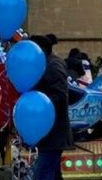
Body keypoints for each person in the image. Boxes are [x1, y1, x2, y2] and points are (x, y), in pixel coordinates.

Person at [30, 35, 73, 180]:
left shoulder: (53, 67)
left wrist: (38, 106)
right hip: (47, 132)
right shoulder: (45, 64)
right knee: (52, 173)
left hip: (53, 133)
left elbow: (60, 96)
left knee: (42, 174)